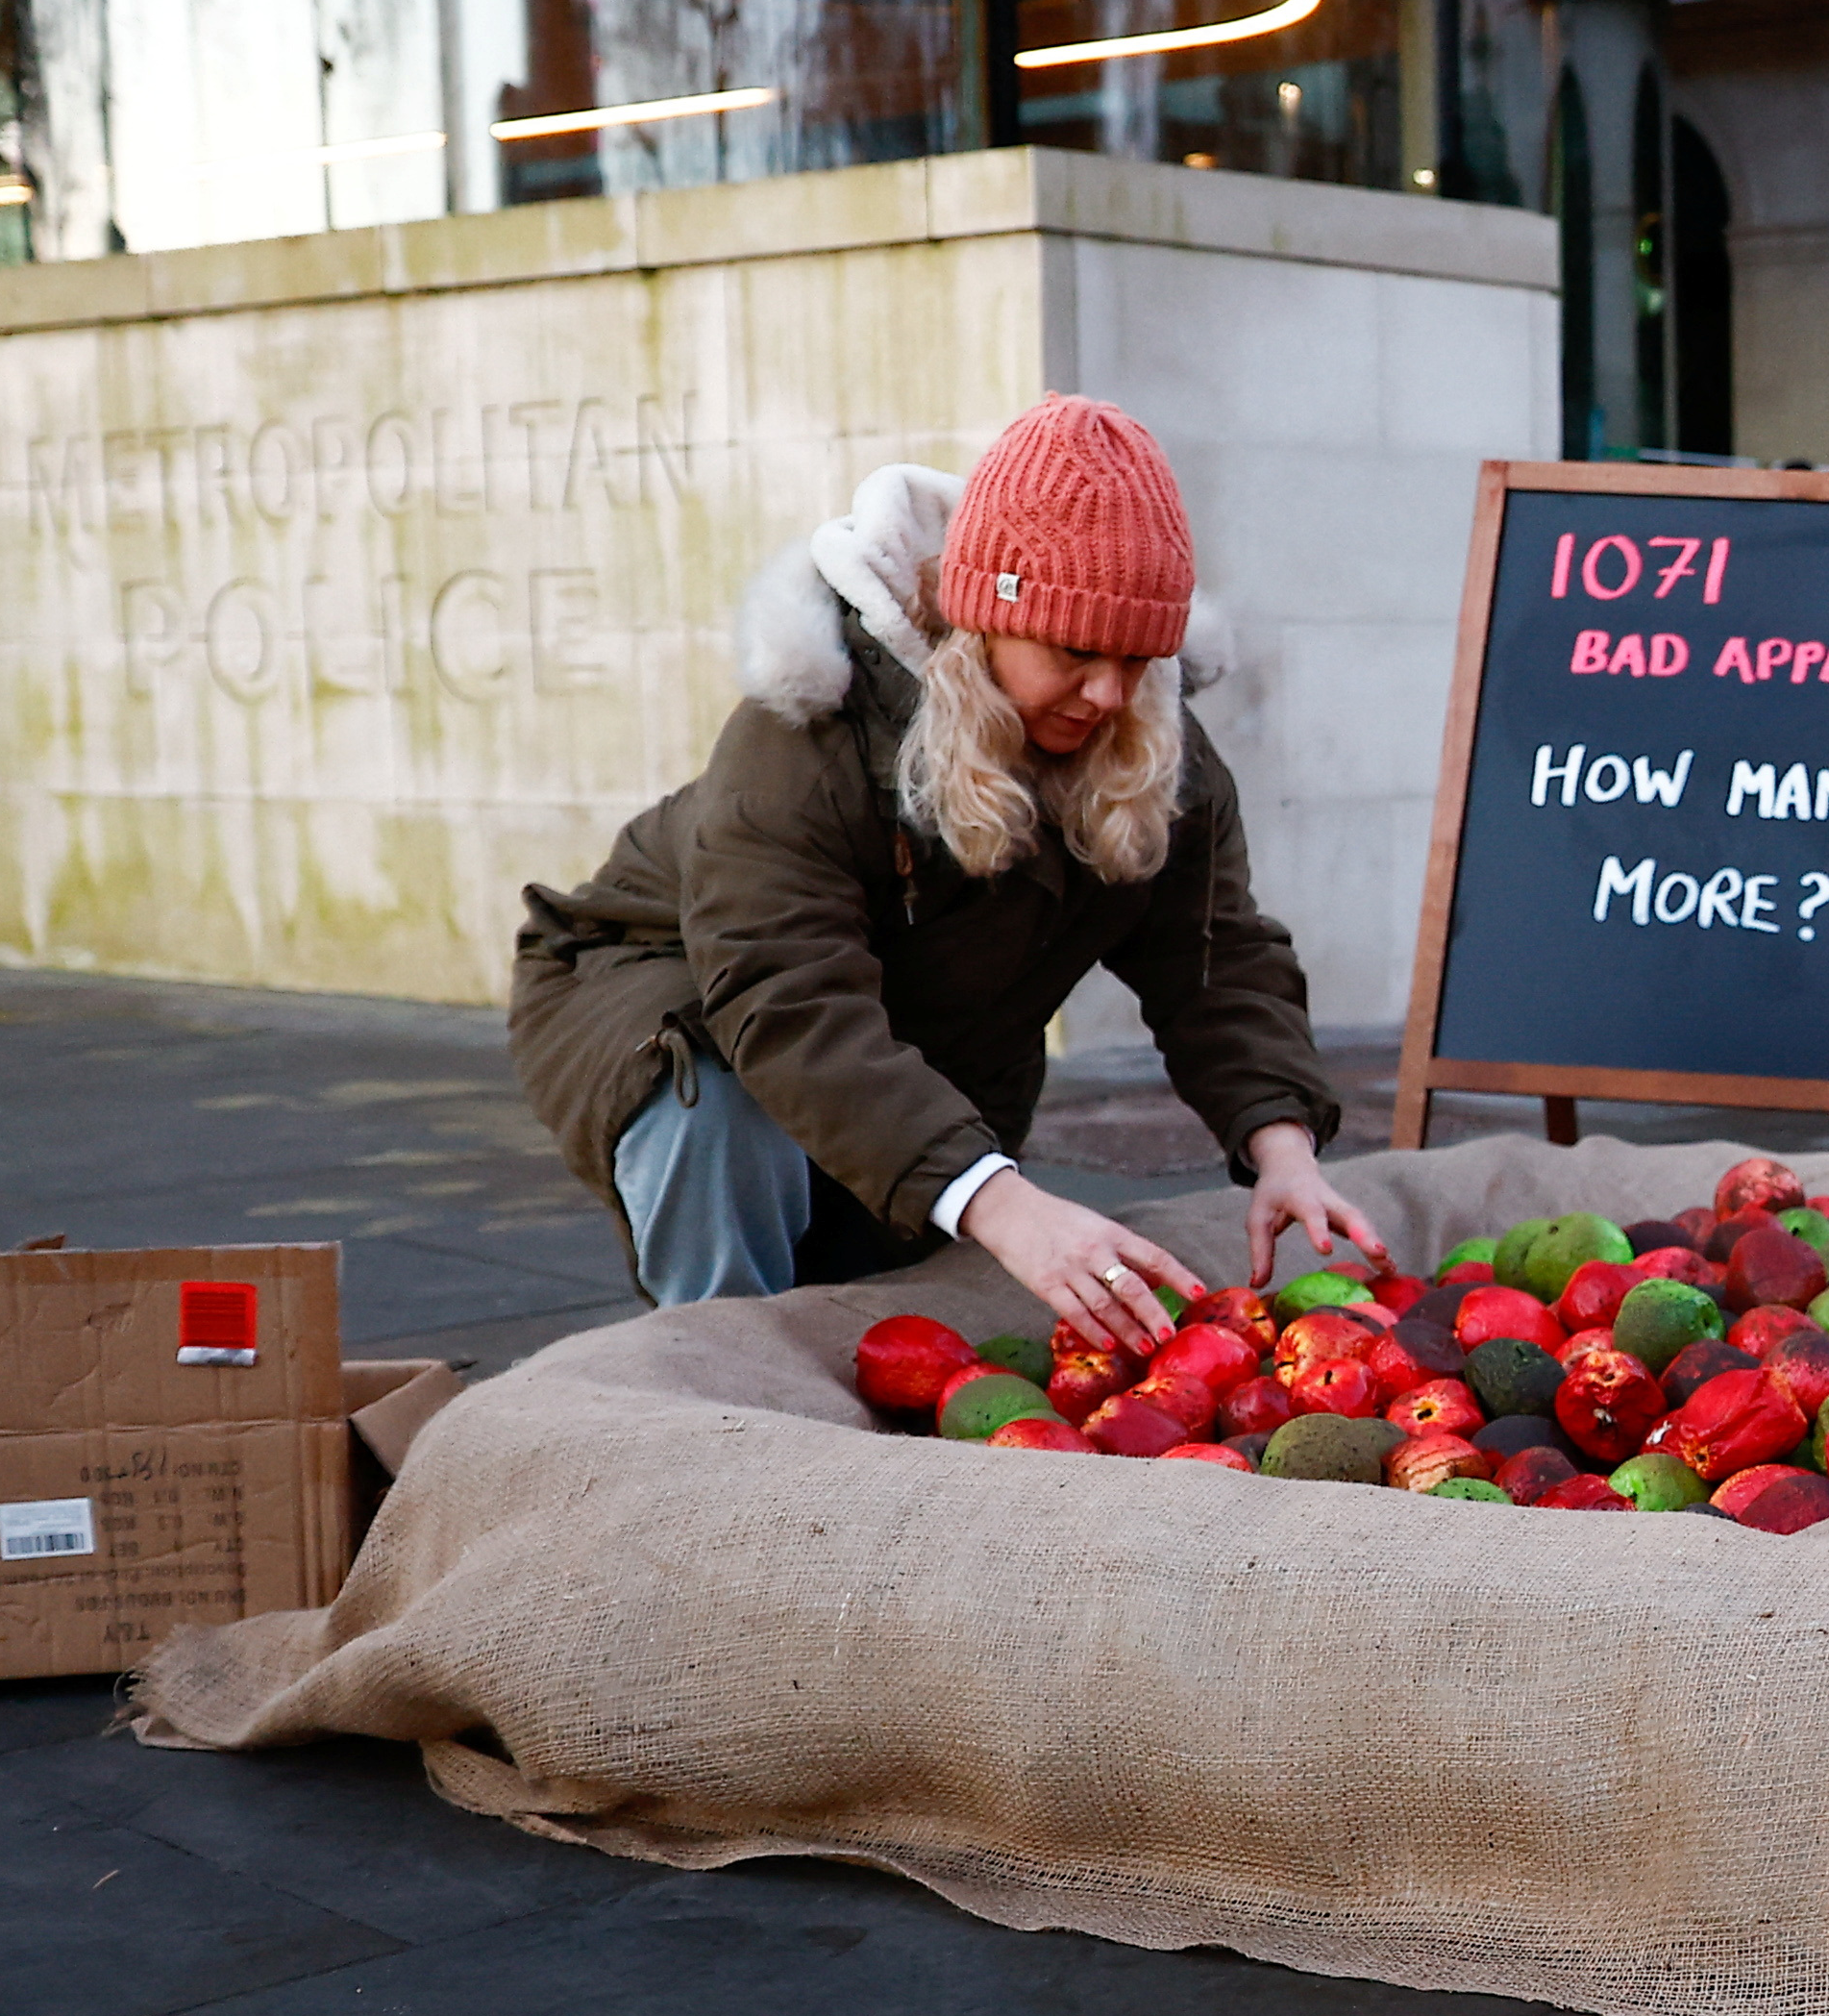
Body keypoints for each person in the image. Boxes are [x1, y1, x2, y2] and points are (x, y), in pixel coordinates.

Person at [511, 397, 1388, 1354]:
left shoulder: (1153, 741)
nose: (1107, 693)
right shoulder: (806, 735)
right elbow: (786, 995)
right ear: (983, 624)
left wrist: (1283, 1148)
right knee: (726, 1139)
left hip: (923, 1028)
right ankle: (722, 1388)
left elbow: (1213, 959)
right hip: (666, 993)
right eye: (1075, 652)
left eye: (1137, 658)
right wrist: (1003, 1204)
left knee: (883, 1311)